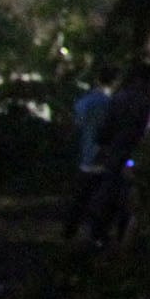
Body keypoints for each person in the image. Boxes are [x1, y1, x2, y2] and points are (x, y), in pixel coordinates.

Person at [84, 60, 150, 250]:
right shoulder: (149, 103)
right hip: (137, 154)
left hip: (116, 152)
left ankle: (99, 234)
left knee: (109, 193)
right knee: (131, 196)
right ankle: (124, 235)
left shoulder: (119, 99)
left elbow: (105, 129)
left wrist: (104, 143)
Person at [61, 78, 113, 239]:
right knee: (102, 199)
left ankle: (69, 231)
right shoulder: (110, 102)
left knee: (80, 197)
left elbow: (76, 127)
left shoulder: (84, 102)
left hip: (87, 156)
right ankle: (97, 234)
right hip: (106, 156)